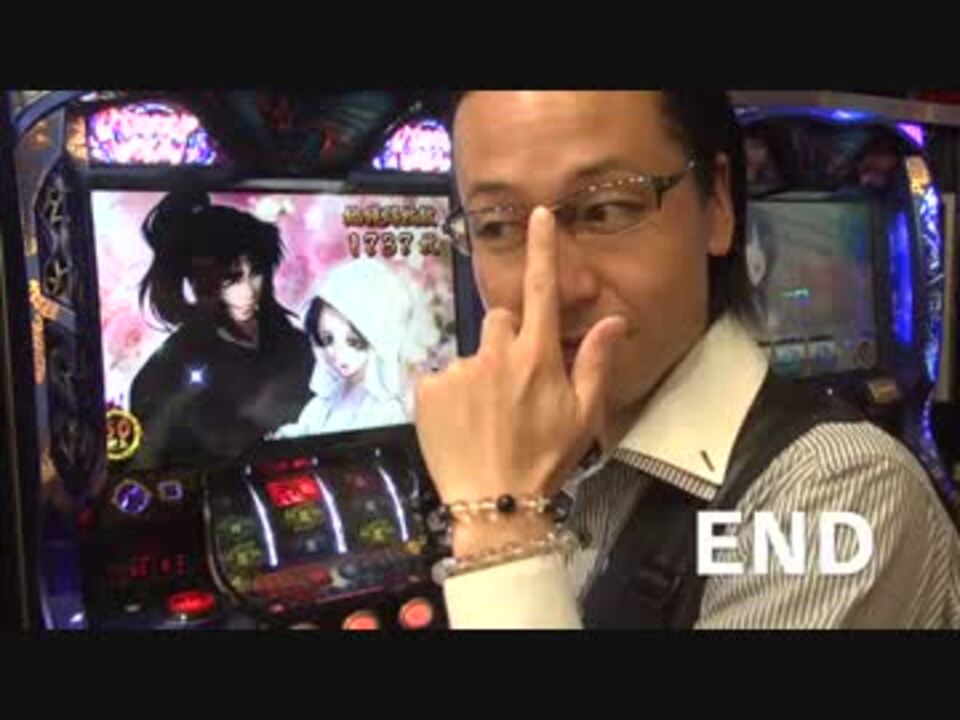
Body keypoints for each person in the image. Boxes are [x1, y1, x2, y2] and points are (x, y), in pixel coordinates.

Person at [413, 91, 960, 629]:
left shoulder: (836, 495)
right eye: (497, 226)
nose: (558, 287)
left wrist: (501, 528)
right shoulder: (567, 458)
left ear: (717, 204)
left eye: (605, 209)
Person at [129, 191, 314, 467]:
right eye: (232, 279)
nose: (249, 291)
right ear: (200, 280)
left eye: (256, 273)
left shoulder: (295, 344)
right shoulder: (168, 371)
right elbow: (150, 468)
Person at [272, 260, 422, 438]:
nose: (336, 353)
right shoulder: (322, 404)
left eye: (352, 341)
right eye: (327, 340)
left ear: (378, 337)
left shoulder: (387, 409)